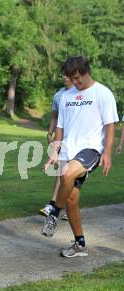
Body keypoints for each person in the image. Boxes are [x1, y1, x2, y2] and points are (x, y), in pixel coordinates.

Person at [42, 56, 118, 258]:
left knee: (67, 175)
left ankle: (54, 213)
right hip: (68, 150)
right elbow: (60, 126)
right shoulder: (66, 96)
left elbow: (111, 125)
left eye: (77, 78)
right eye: (71, 79)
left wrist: (107, 152)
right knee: (72, 199)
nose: (75, 82)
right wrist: (55, 151)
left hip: (90, 149)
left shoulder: (102, 93)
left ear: (86, 71)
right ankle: (80, 244)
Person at [39, 74, 73, 220]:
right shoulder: (59, 95)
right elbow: (55, 116)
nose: (64, 77)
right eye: (63, 74)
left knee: (70, 174)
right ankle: (54, 204)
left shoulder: (81, 94)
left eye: (68, 74)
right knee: (61, 170)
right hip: (61, 137)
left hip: (75, 139)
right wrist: (50, 132)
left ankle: (64, 206)